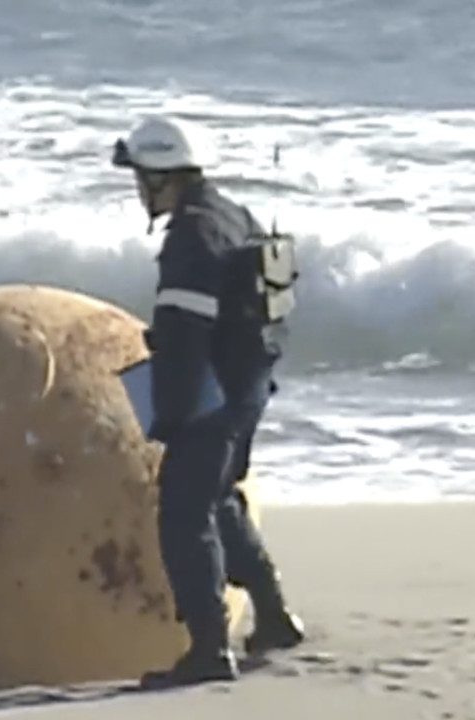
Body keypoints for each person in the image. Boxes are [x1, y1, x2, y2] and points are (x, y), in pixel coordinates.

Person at [110, 115, 305, 689]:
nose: (140, 190)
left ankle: (208, 649)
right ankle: (273, 617)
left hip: (216, 389)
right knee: (219, 498)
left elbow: (186, 337)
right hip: (250, 382)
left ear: (163, 178)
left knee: (184, 509)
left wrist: (169, 414)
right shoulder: (231, 215)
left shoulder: (190, 236)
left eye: (143, 178)